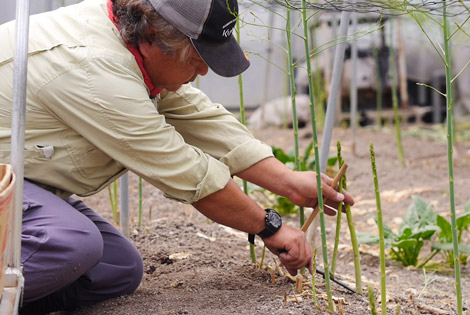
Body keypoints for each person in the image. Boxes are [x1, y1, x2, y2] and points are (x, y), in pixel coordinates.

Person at [0, 0, 354, 313]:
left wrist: (288, 180)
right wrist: (270, 226)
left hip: (21, 178)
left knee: (117, 269)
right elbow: (187, 172)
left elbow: (197, 115)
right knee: (70, 245)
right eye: (198, 58)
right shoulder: (95, 69)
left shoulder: (129, 44)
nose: (203, 72)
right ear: (154, 35)